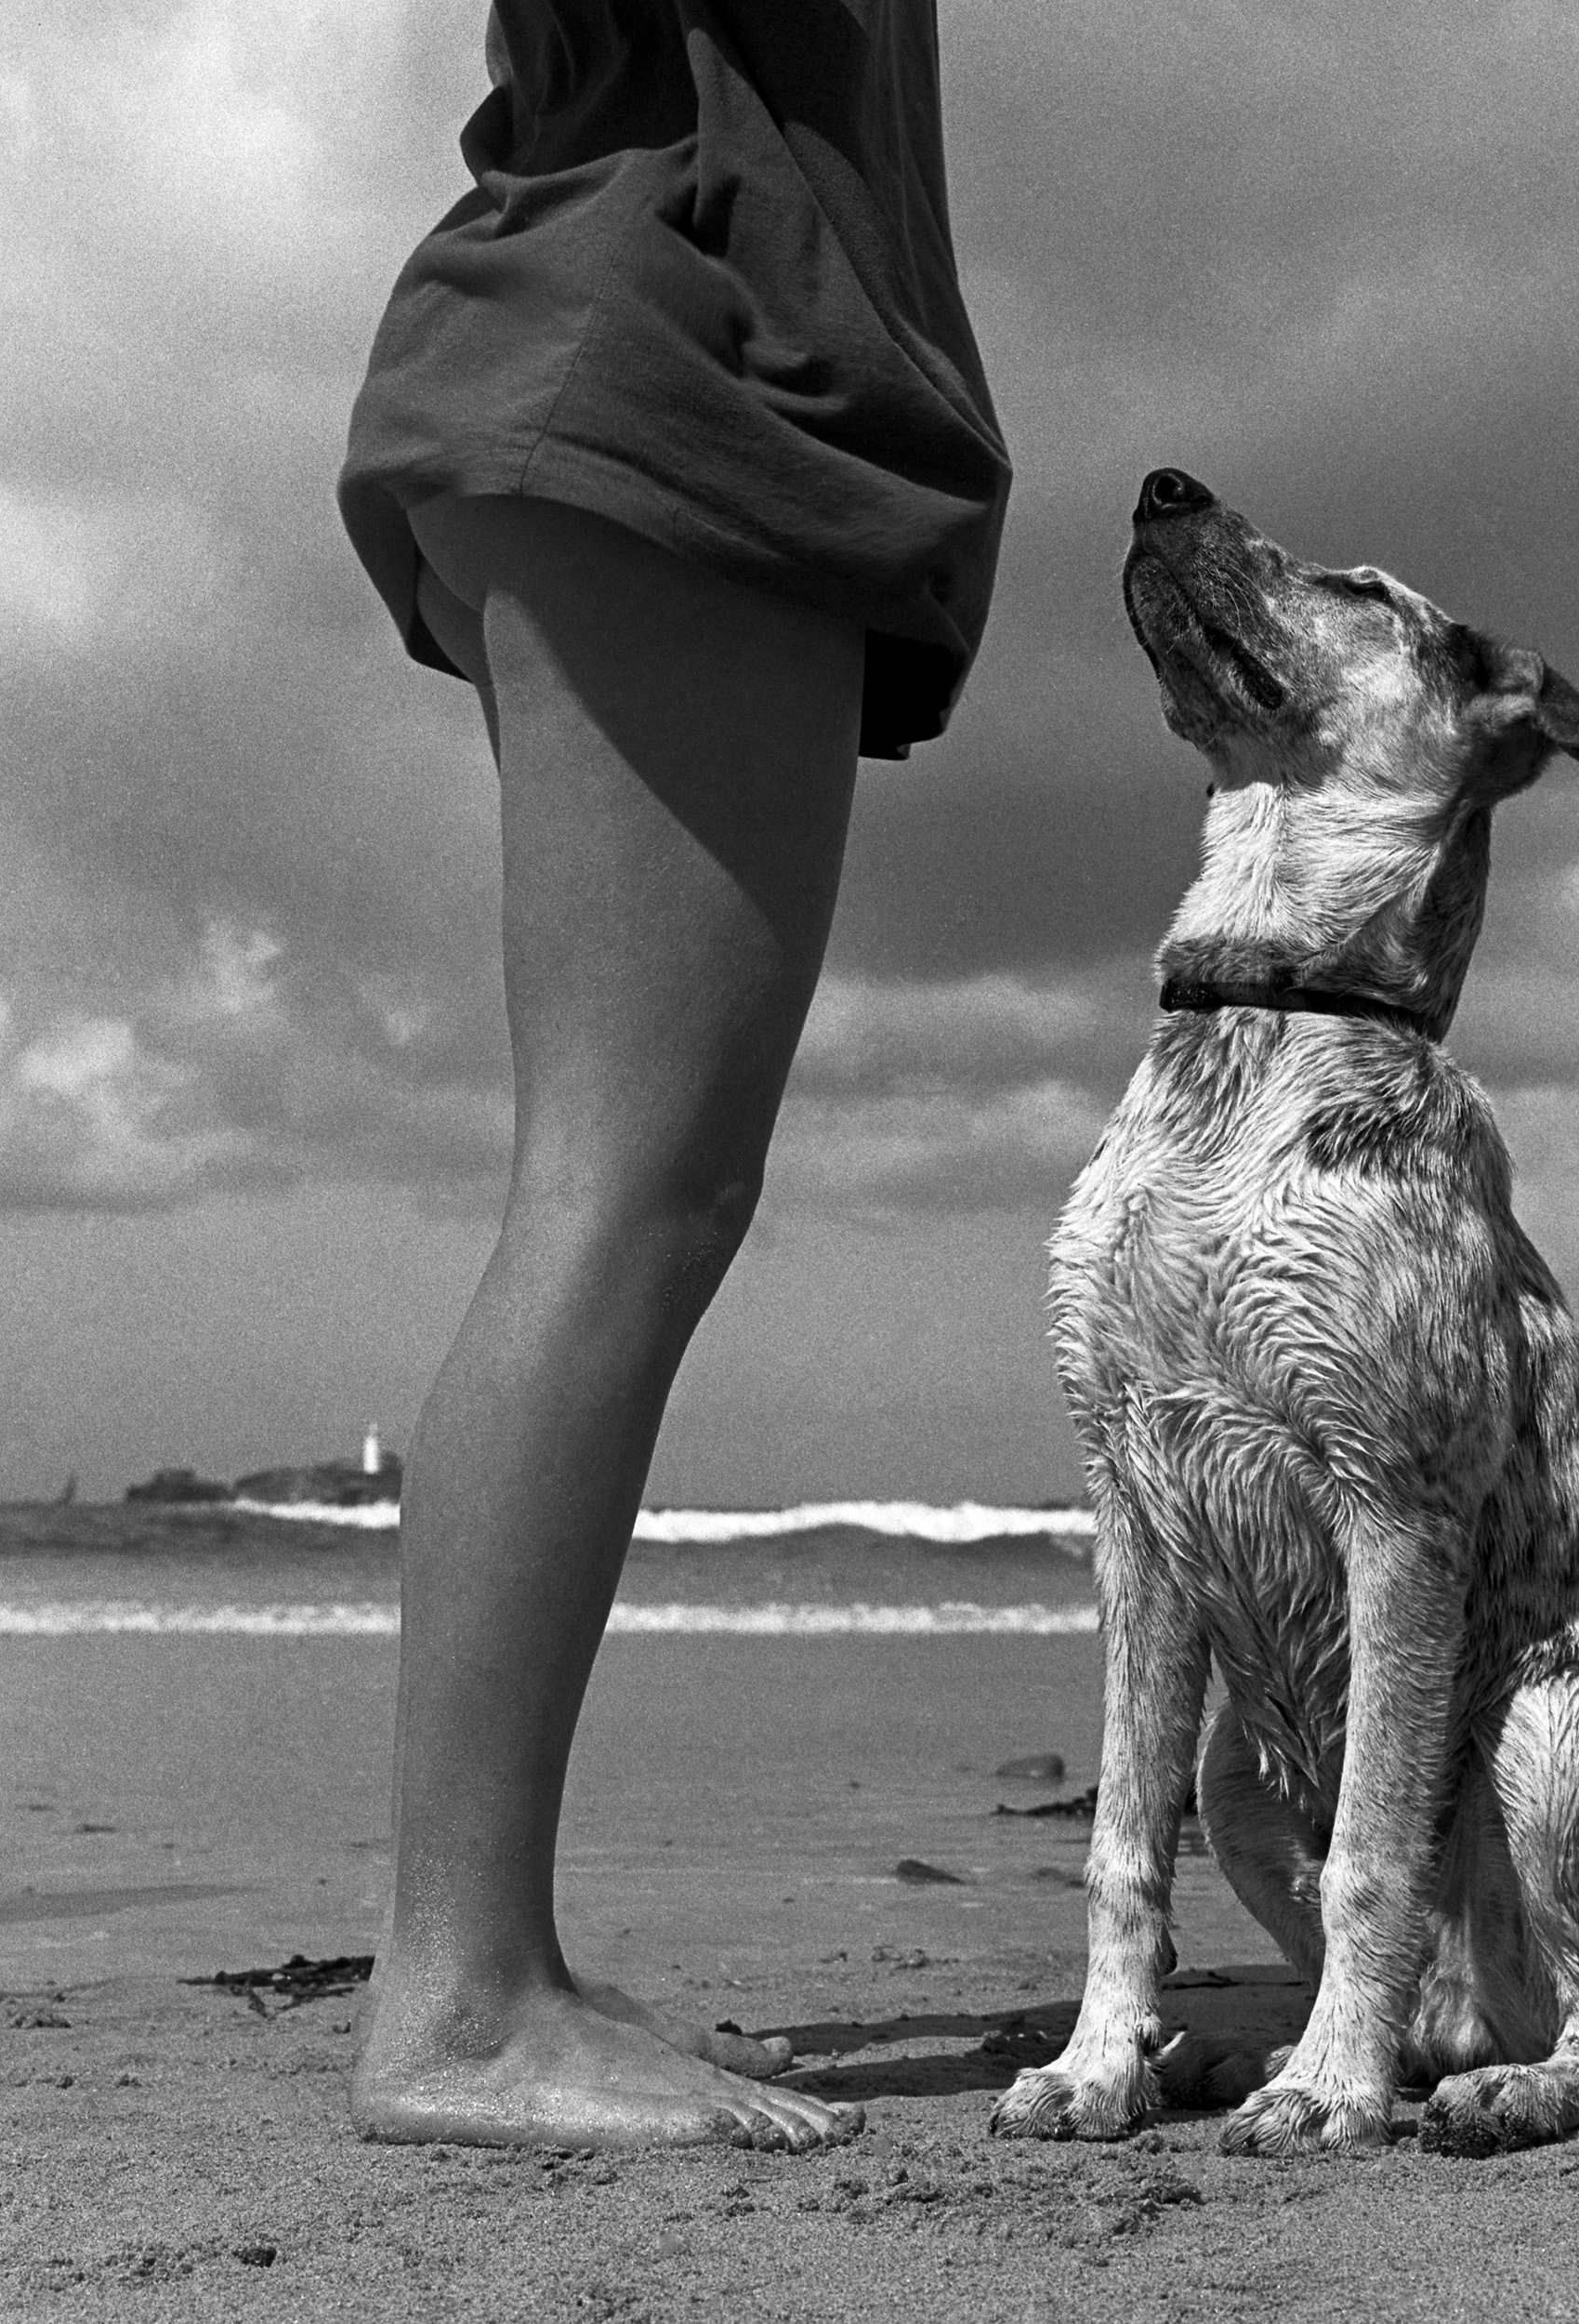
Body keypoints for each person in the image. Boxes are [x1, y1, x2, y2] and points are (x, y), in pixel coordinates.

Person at [334, 1, 1008, 2150]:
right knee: (625, 1186)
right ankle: (459, 1996)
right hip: (657, 352)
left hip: (632, 350)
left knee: (631, 1186)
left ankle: (483, 1969)